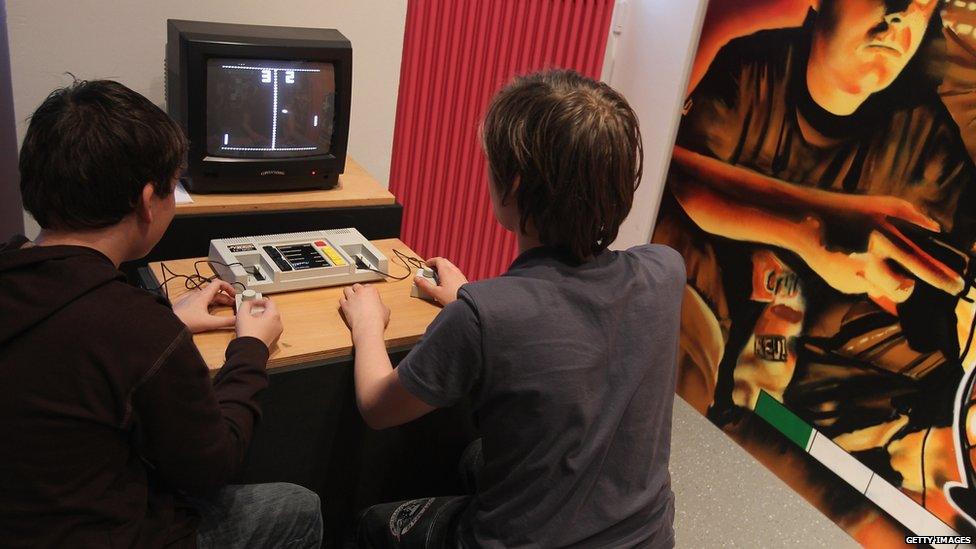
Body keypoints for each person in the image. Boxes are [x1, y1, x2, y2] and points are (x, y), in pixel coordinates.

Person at [339, 69, 685, 547]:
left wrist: (367, 326)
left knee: (375, 521)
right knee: (473, 459)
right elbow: (565, 321)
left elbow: (377, 407)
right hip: (645, 537)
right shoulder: (666, 271)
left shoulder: (481, 317)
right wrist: (473, 298)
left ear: (513, 185)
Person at [653, 0, 976, 500]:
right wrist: (809, 231)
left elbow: (940, 312)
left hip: (808, 419)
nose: (899, 17)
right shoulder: (749, 68)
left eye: (921, 6)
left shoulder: (930, 150)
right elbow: (668, 175)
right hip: (688, 363)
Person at [0, 79, 322, 547]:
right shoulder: (138, 331)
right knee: (298, 506)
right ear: (149, 202)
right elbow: (211, 465)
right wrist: (251, 348)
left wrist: (166, 320)